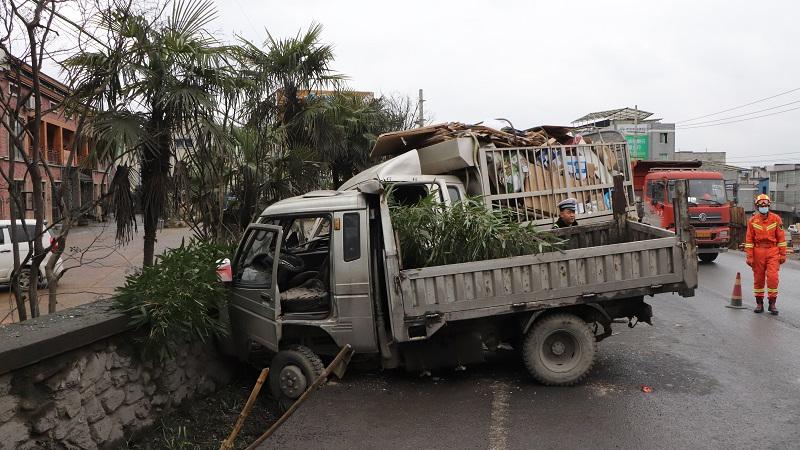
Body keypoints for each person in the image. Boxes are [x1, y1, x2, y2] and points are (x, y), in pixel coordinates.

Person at [744, 194, 787, 315]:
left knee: (773, 278)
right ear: (757, 206)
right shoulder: (752, 221)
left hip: (773, 251)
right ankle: (759, 303)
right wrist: (750, 256)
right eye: (761, 205)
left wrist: (782, 255)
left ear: (769, 205)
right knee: (758, 278)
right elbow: (749, 241)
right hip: (758, 252)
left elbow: (781, 239)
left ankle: (772, 304)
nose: (764, 207)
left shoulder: (776, 219)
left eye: (766, 205)